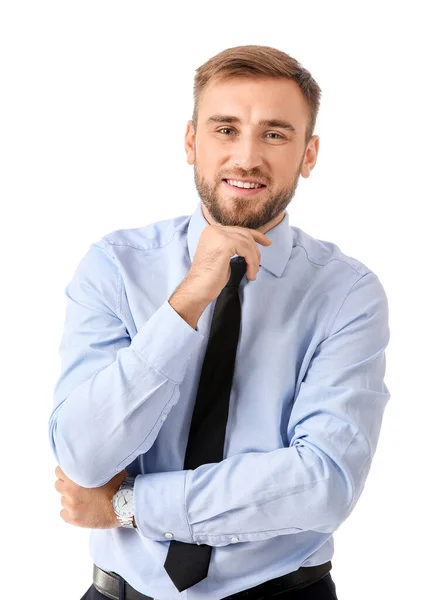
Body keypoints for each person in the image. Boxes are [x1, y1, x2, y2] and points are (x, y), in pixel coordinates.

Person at [49, 44, 390, 600]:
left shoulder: (347, 293)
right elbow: (84, 458)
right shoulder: (115, 266)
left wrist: (127, 506)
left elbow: (324, 484)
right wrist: (187, 300)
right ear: (191, 143)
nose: (247, 158)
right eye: (225, 130)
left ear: (309, 154)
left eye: (275, 134)